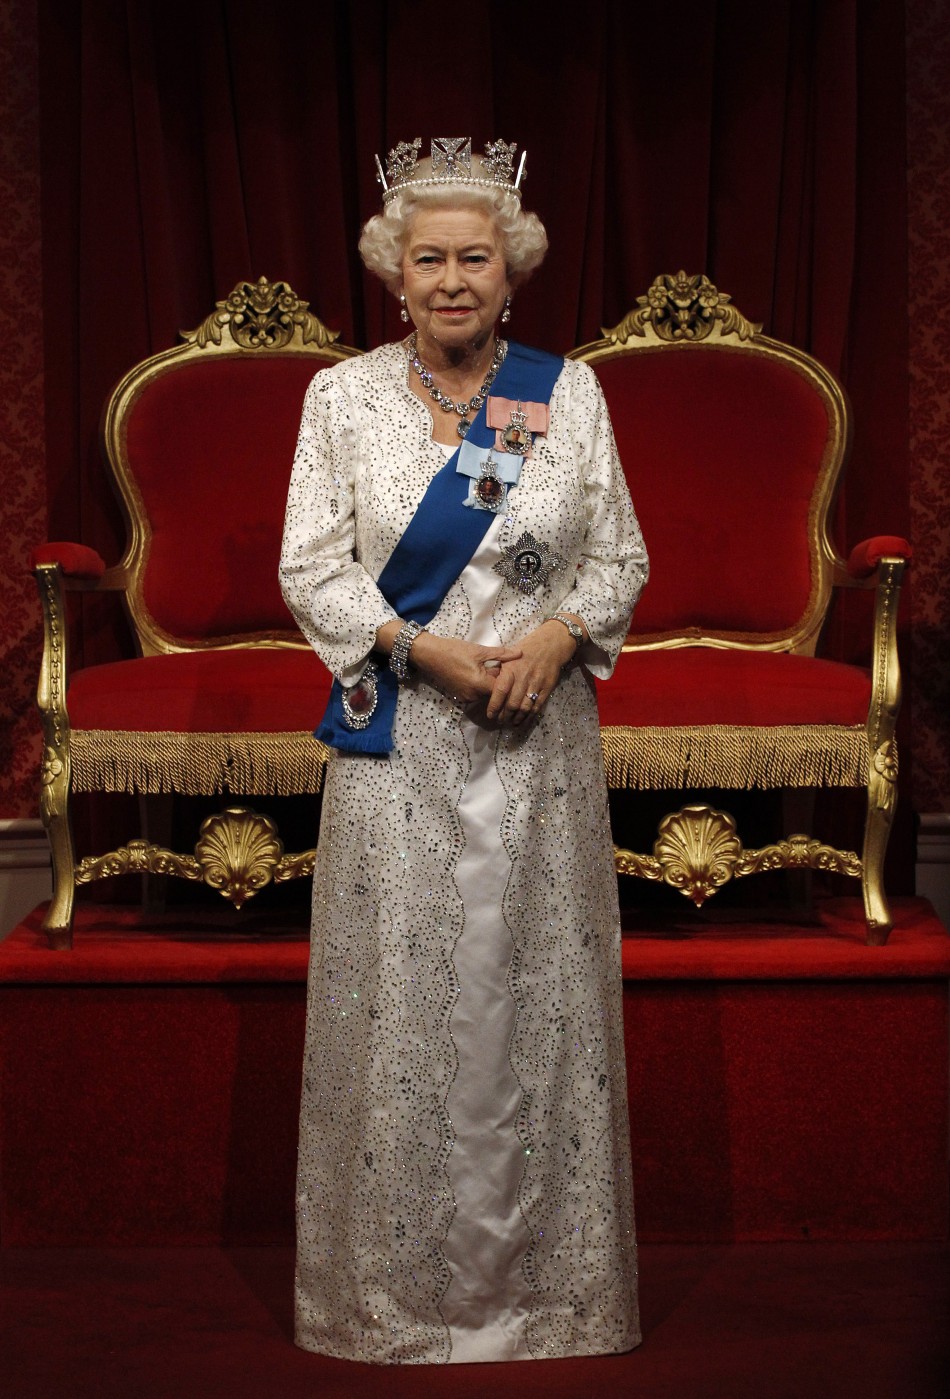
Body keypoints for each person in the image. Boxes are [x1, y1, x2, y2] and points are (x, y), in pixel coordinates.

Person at [279, 136, 649, 1366]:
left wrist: (556, 634)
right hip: (405, 744)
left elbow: (618, 558)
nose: (451, 278)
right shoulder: (340, 397)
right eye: (427, 257)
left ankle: (550, 1299)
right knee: (404, 1004)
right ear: (394, 274)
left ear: (510, 273)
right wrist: (414, 648)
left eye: (473, 257)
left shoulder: (563, 391)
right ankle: (390, 1301)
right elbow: (310, 564)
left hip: (537, 744)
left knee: (529, 1001)